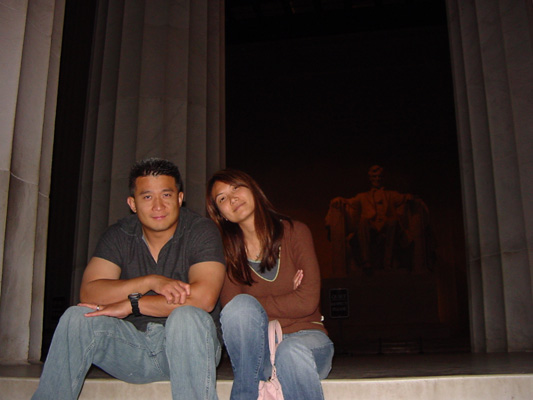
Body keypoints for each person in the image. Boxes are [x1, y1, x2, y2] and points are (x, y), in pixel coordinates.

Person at [33, 158, 226, 400]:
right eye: (147, 197)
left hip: (190, 348)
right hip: (132, 348)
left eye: (166, 195)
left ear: (179, 198)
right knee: (76, 317)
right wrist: (150, 282)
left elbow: (204, 299)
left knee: (187, 316)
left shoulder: (201, 231)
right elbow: (90, 292)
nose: (158, 206)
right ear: (132, 204)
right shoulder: (119, 234)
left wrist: (132, 304)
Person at [206, 169, 334, 400]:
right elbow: (234, 312)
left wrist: (255, 309)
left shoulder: (295, 232)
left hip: (307, 339)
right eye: (222, 198)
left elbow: (307, 302)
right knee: (241, 307)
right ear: (220, 214)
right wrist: (288, 299)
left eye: (236, 188)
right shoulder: (226, 255)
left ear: (253, 189)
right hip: (258, 352)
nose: (232, 198)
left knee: (289, 350)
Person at [326, 165, 433, 274]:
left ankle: (388, 263)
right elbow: (348, 201)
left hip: (387, 226)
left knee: (393, 222)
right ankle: (366, 262)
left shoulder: (391, 194)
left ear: (383, 178)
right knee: (363, 222)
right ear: (371, 178)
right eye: (375, 177)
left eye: (379, 177)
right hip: (369, 228)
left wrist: (410, 197)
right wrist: (338, 199)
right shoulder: (362, 196)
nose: (377, 179)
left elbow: (405, 197)